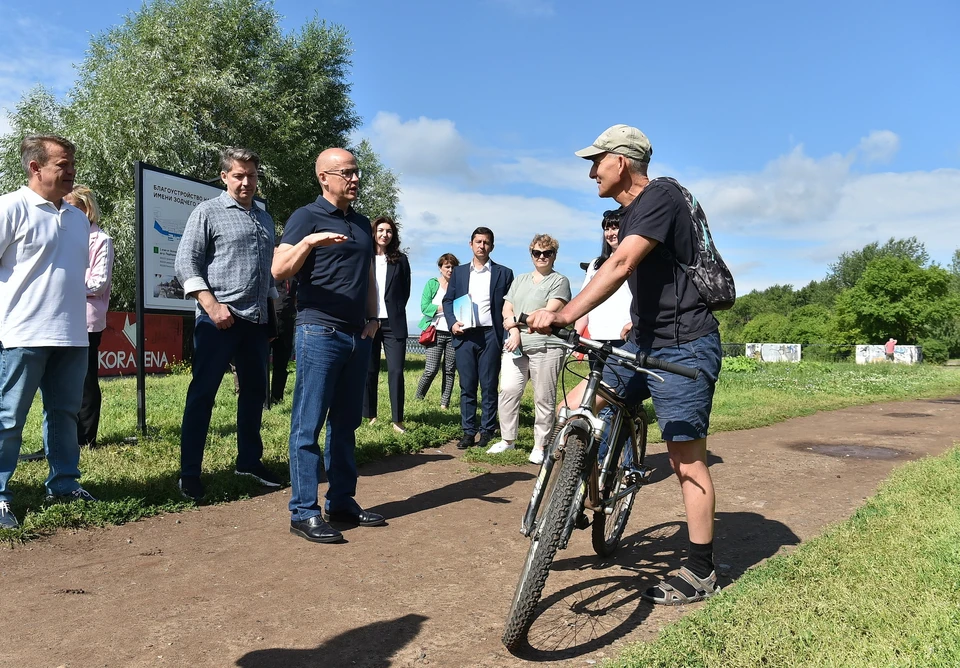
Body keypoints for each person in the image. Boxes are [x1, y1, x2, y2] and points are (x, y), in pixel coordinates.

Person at [527, 124, 724, 606]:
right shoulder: (629, 210)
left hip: (684, 345)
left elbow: (621, 266)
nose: (592, 171)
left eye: (597, 161)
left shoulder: (661, 196)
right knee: (574, 409)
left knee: (685, 459)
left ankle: (702, 571)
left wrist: (562, 314)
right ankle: (574, 491)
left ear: (622, 161)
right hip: (641, 341)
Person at [273, 147, 386, 545]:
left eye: (357, 173)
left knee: (346, 425)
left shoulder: (359, 222)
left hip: (358, 335)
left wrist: (374, 319)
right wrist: (310, 242)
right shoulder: (306, 217)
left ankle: (341, 501)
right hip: (318, 332)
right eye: (347, 173)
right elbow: (279, 268)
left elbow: (368, 276)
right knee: (308, 425)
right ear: (324, 177)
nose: (355, 179)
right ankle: (303, 511)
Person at [0, 134, 97, 529]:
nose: (71, 171)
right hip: (22, 333)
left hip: (73, 335)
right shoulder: (11, 207)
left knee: (64, 414)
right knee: (8, 418)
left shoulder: (76, 217)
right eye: (63, 164)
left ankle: (64, 484)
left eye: (72, 163)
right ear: (35, 167)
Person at [174, 146, 281, 502]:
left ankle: (249, 462)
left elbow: (267, 274)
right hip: (217, 320)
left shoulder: (265, 219)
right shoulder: (207, 212)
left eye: (251, 175)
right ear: (224, 177)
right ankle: (189, 473)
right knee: (202, 394)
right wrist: (211, 305)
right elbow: (185, 263)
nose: (246, 182)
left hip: (256, 321)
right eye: (238, 175)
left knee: (254, 394)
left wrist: (273, 311)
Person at [487, 234, 570, 465]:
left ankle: (540, 445)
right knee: (508, 391)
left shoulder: (559, 281)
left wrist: (514, 322)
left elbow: (544, 315)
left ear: (554, 255)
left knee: (544, 397)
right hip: (516, 345)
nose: (541, 257)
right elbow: (507, 308)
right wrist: (513, 331)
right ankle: (507, 440)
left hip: (546, 346)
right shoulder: (520, 279)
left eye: (547, 253)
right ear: (531, 254)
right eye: (537, 253)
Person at [443, 228, 514, 450]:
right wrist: (452, 322)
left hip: (491, 334)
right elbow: (448, 301)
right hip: (465, 336)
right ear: (470, 244)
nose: (481, 246)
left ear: (492, 246)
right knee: (467, 385)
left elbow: (510, 304)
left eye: (486, 242)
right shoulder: (460, 272)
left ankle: (487, 431)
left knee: (489, 385)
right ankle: (468, 432)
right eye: (478, 241)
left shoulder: (504, 273)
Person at [69, 186, 114, 448]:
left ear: (87, 209)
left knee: (85, 379)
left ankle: (86, 438)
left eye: (72, 206)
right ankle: (62, 437)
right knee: (62, 380)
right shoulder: (64, 236)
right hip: (61, 317)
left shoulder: (101, 240)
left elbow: (98, 282)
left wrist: (65, 289)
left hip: (86, 319)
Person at [362, 216, 411, 433]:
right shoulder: (364, 258)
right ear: (373, 233)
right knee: (369, 370)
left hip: (394, 323)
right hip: (369, 321)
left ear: (393, 235)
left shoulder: (400, 260)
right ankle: (370, 415)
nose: (384, 234)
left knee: (396, 371)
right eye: (380, 230)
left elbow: (406, 290)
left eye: (389, 231)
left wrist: (395, 310)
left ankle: (397, 419)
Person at [575, 208, 633, 370]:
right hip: (596, 337)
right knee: (597, 386)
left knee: (622, 389)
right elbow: (585, 301)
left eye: (614, 227)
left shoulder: (635, 261)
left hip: (624, 335)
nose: (610, 233)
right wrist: (577, 334)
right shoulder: (595, 264)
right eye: (606, 229)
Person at [414, 254, 460, 410]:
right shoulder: (432, 284)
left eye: (453, 267)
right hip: (434, 332)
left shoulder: (460, 286)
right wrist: (445, 307)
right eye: (447, 266)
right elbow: (425, 307)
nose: (450, 270)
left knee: (449, 370)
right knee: (431, 369)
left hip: (453, 333)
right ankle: (418, 398)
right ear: (440, 268)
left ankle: (444, 403)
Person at [268, 271, 298, 406]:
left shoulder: (294, 271)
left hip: (287, 319)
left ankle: (276, 397)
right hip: (269, 318)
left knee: (282, 362)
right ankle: (263, 399)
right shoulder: (271, 269)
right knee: (262, 362)